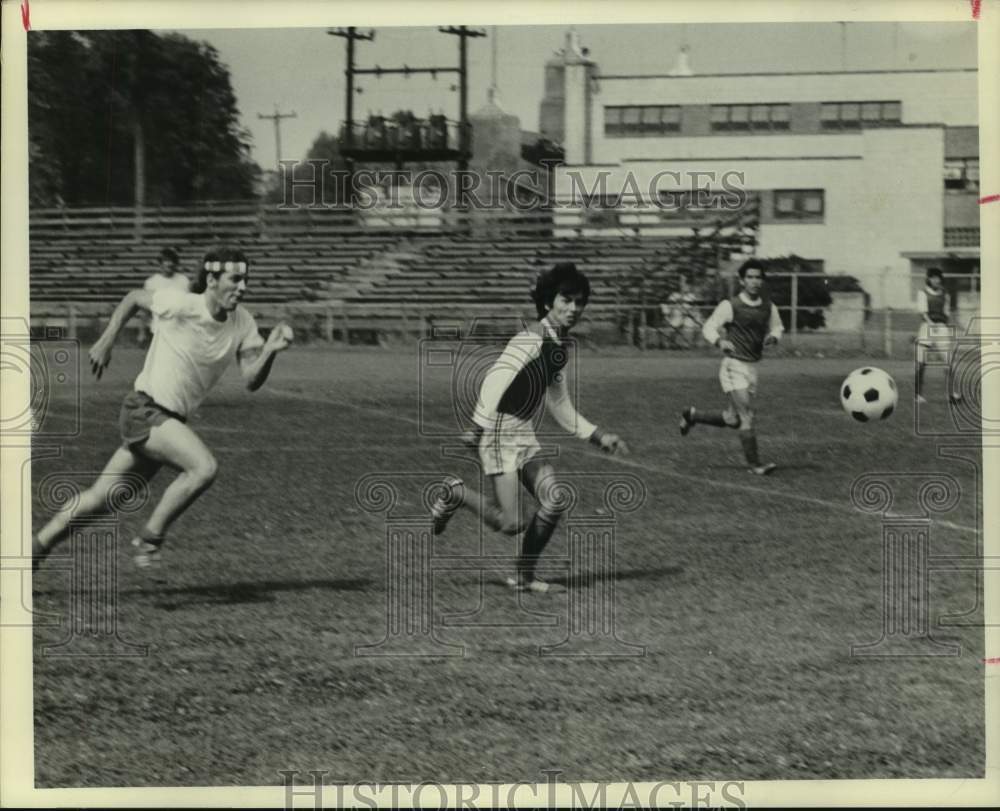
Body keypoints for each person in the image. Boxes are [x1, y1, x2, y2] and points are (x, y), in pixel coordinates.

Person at [32, 247, 294, 577]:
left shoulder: (243, 322)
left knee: (102, 499)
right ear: (212, 279)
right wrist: (107, 338)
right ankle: (149, 538)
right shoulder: (183, 303)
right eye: (235, 279)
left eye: (246, 280)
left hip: (167, 423)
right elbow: (133, 298)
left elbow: (251, 379)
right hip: (145, 410)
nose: (242, 287)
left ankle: (36, 547)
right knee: (203, 467)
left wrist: (270, 350)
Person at [430, 263, 630, 593]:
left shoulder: (558, 346)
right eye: (566, 300)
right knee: (511, 524)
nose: (573, 308)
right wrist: (477, 426)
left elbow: (560, 404)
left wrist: (598, 435)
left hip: (522, 431)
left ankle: (524, 576)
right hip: (497, 433)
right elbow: (497, 378)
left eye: (579, 302)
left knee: (554, 501)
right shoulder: (531, 337)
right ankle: (455, 493)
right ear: (549, 301)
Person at [678, 259, 782, 476]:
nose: (754, 281)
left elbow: (777, 327)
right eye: (750, 277)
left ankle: (692, 416)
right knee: (746, 416)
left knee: (732, 419)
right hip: (733, 366)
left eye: (758, 277)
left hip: (752, 367)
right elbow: (709, 327)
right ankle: (755, 465)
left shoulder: (768, 306)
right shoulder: (730, 305)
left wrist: (773, 337)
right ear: (742, 280)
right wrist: (719, 341)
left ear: (762, 281)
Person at [915, 267, 962, 404]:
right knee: (921, 362)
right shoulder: (922, 293)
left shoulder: (945, 294)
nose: (936, 280)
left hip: (941, 328)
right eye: (933, 277)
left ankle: (951, 394)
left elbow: (946, 313)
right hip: (927, 327)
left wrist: (944, 328)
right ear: (928, 279)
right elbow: (922, 313)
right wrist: (931, 324)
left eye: (938, 277)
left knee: (948, 362)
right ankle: (918, 395)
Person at [138, 247, 190, 343]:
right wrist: (142, 332)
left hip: (180, 331)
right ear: (160, 263)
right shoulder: (152, 283)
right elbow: (145, 311)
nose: (169, 264)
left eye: (172, 261)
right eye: (166, 261)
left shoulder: (184, 281)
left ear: (175, 263)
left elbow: (189, 307)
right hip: (159, 330)